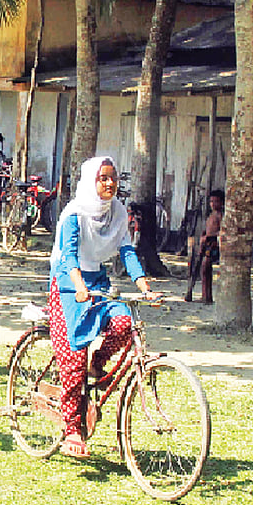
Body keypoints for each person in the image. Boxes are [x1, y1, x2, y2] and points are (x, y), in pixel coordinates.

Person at [48, 156, 155, 458]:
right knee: (72, 358)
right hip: (69, 282)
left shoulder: (117, 213)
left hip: (97, 279)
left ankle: (98, 363)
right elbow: (68, 255)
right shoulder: (75, 213)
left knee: (124, 323)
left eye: (113, 177)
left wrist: (143, 285)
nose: (109, 183)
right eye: (103, 178)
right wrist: (79, 286)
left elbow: (127, 250)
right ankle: (71, 428)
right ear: (90, 180)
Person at [195, 189, 224, 304]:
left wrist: (209, 236)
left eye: (216, 201)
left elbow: (222, 231)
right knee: (204, 270)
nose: (213, 204)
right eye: (211, 201)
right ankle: (205, 295)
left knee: (206, 267)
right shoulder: (211, 215)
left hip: (213, 243)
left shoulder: (220, 216)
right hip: (206, 243)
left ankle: (208, 297)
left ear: (221, 203)